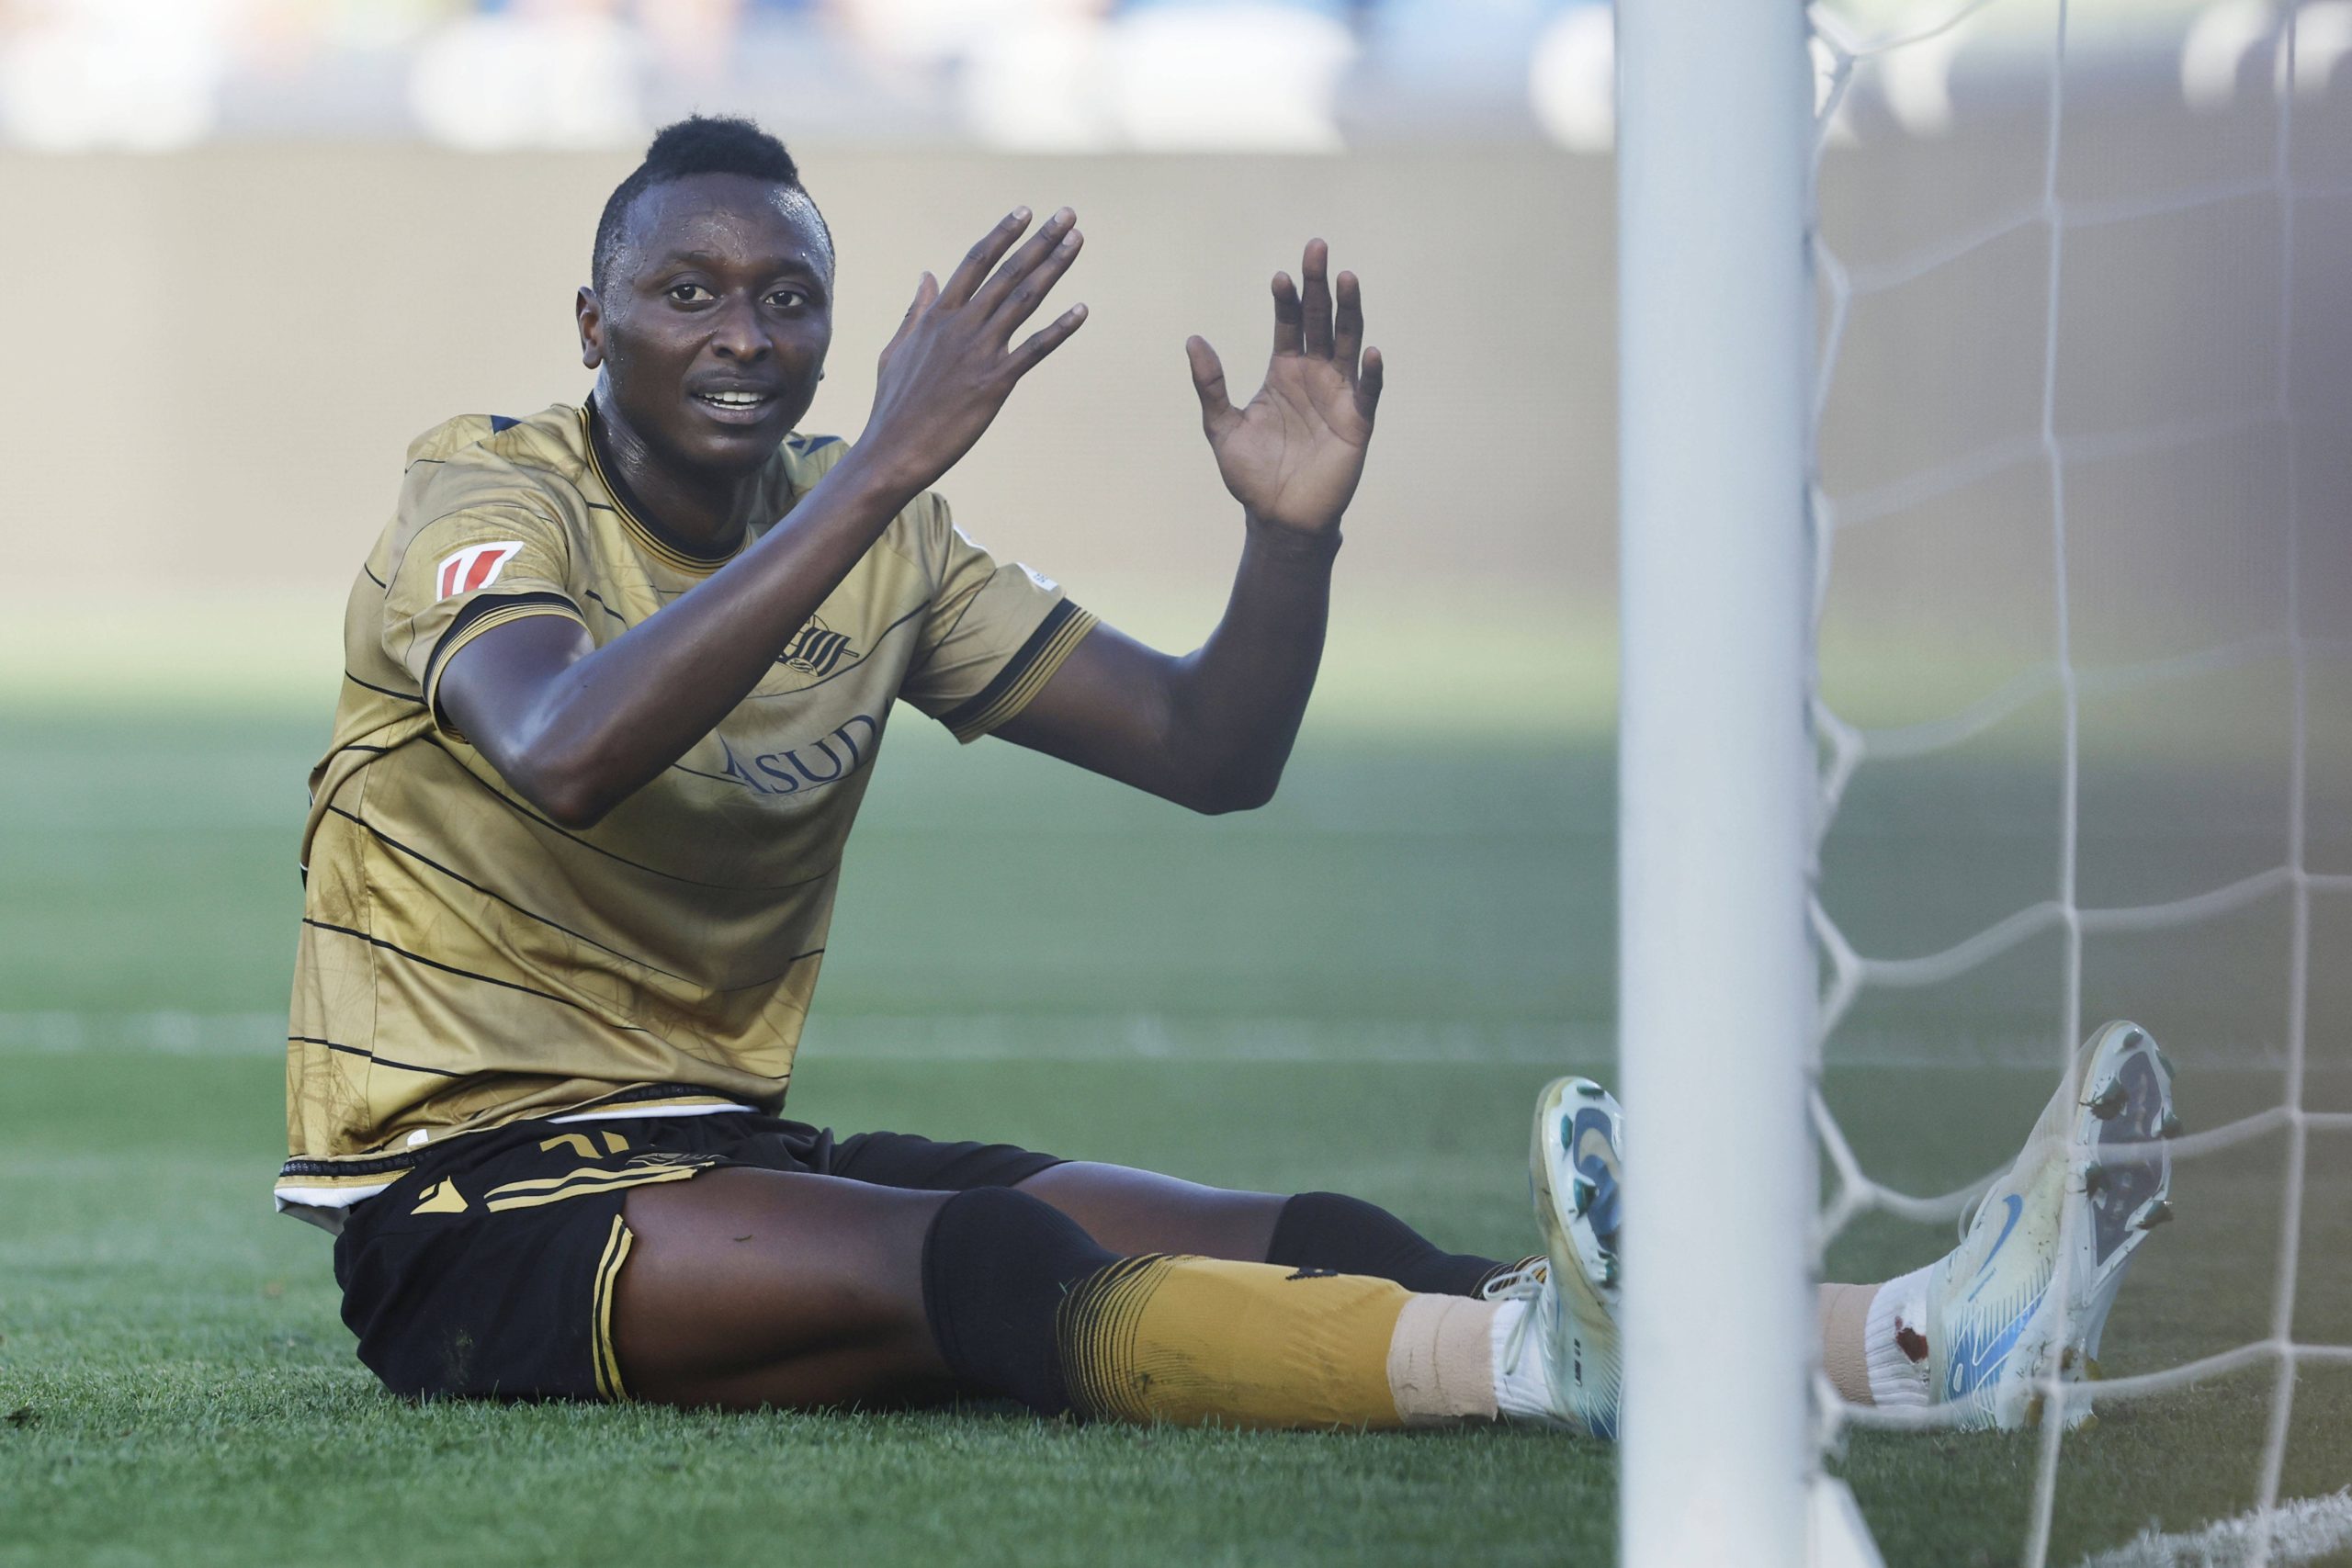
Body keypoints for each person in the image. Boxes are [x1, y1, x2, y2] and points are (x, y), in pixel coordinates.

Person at [276, 116, 2175, 1436]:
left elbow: (1211, 751)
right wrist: (879, 474)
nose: (742, 335)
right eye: (685, 292)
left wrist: (1289, 537)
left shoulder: (881, 540)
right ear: (591, 323)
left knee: (1295, 1236)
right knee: (990, 1262)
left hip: (719, 1149)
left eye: (786, 298)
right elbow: (564, 747)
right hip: (468, 1215)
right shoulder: (489, 489)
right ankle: (1539, 1373)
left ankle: (1909, 1340)